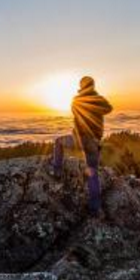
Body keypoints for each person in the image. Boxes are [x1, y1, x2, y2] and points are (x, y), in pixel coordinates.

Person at [52, 76, 113, 217]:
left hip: (79, 139)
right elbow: (108, 108)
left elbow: (75, 111)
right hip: (94, 142)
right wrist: (95, 97)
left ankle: (57, 171)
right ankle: (95, 208)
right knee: (92, 173)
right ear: (92, 85)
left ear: (81, 85)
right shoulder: (98, 99)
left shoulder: (76, 100)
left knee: (58, 142)